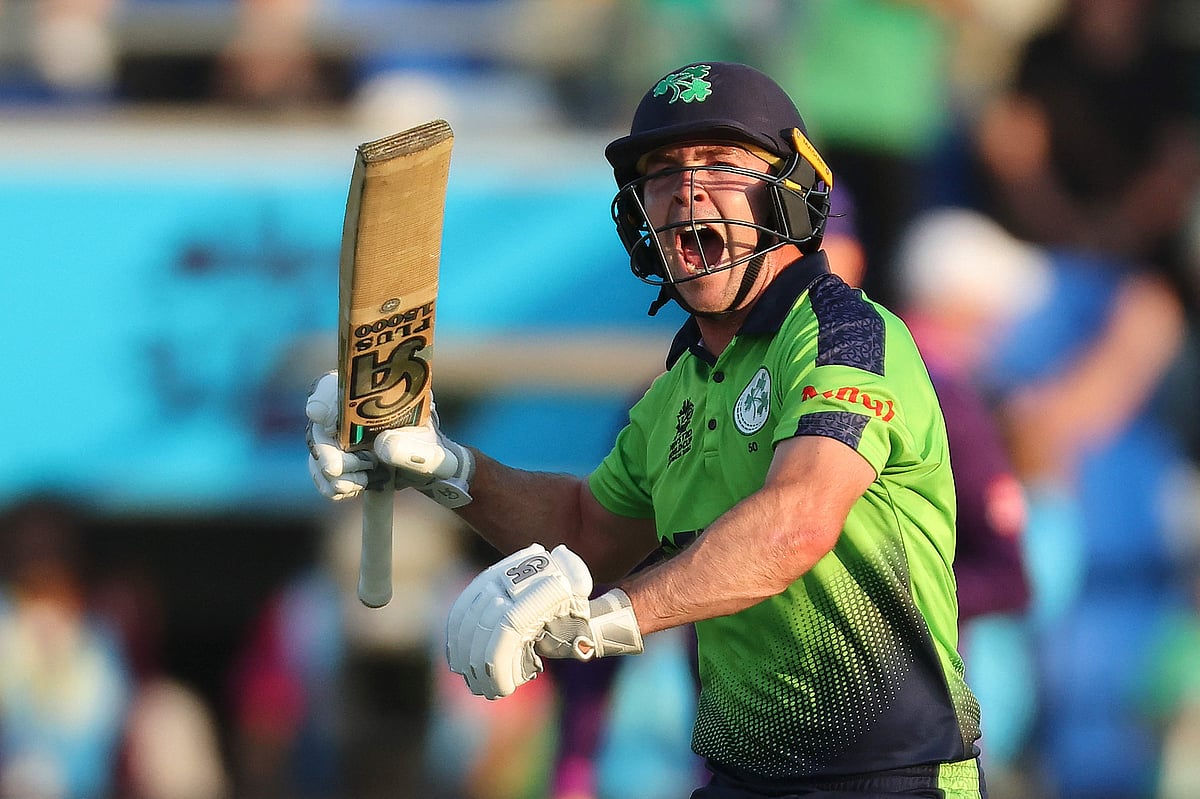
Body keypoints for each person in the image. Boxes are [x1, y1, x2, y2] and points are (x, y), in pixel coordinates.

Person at [307, 62, 986, 798]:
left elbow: (795, 523)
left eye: (721, 163)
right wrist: (446, 469)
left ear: (790, 190)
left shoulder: (844, 334)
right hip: (742, 780)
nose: (688, 190)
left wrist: (609, 619)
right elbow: (587, 532)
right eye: (663, 172)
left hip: (897, 779)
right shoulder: (678, 389)